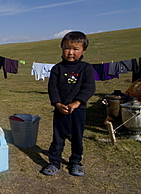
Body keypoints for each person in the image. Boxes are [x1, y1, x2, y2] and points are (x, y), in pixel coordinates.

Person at [41, 31, 95, 176]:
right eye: (67, 48)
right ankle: (54, 162)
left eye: (75, 49)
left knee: (77, 138)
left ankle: (76, 162)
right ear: (62, 48)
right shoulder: (57, 69)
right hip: (60, 110)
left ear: (83, 50)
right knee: (58, 138)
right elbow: (52, 88)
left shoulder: (86, 68)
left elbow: (89, 88)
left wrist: (77, 102)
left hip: (78, 111)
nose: (70, 52)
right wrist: (57, 104)